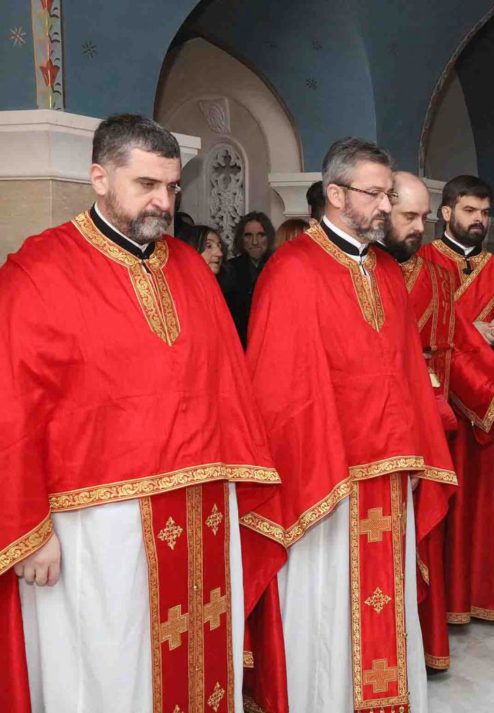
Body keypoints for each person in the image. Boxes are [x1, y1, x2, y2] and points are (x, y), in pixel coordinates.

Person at [0, 113, 282, 713]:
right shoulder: (40, 270)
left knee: (200, 658)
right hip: (98, 520)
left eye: (172, 186)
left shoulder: (190, 268)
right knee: (112, 664)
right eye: (147, 185)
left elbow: (226, 386)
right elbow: (11, 410)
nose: (164, 202)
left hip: (203, 506)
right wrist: (27, 529)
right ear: (99, 177)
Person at [241, 138, 455, 712]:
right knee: (326, 604)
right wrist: (318, 461)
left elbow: (406, 371)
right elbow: (280, 387)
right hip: (323, 480)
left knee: (387, 602)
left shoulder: (386, 271)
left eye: (389, 194)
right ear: (336, 194)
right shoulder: (292, 269)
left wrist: (416, 447)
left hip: (391, 470)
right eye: (375, 193)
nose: (386, 205)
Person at [382, 171, 494, 671]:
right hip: (371, 429)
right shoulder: (364, 273)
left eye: (421, 217)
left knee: (424, 532)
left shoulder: (437, 280)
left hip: (427, 421)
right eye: (408, 217)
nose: (417, 228)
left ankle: (415, 641)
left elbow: (457, 349)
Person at [420, 174, 494, 625]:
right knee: (445, 507)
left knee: (488, 508)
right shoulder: (422, 265)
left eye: (485, 213)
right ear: (446, 212)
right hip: (444, 408)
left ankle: (486, 597)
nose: (479, 221)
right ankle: (442, 606)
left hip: (493, 412)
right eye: (470, 211)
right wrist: (471, 335)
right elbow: (418, 332)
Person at [221, 211, 274, 347]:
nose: (254, 242)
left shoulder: (277, 266)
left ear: (269, 238)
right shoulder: (229, 269)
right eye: (248, 236)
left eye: (260, 235)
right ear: (241, 239)